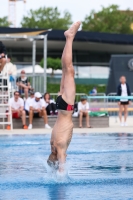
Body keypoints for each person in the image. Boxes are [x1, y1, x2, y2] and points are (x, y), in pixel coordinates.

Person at [47, 21, 81, 172]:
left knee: (68, 69)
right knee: (66, 69)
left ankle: (69, 37)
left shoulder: (59, 147)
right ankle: (69, 38)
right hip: (61, 105)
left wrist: (60, 174)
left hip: (66, 107)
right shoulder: (53, 143)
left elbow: (62, 163)